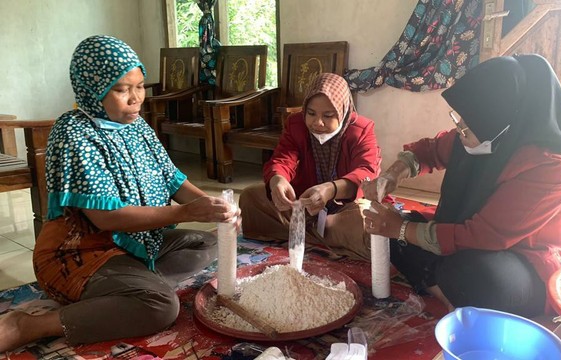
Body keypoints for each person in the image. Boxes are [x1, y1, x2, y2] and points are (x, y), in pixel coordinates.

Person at [0, 35, 240, 352]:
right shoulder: (75, 131)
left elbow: (173, 180)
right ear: (93, 89)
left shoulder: (137, 126)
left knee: (207, 242)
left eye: (139, 86)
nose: (135, 98)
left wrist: (218, 207)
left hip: (134, 245)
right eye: (121, 89)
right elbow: (106, 217)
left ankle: (128, 292)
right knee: (163, 308)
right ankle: (30, 325)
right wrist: (185, 212)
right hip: (79, 252)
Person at [362, 54, 561, 318]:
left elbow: (484, 235)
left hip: (530, 262)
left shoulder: (551, 168)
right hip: (478, 241)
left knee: (470, 273)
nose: (460, 130)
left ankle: (451, 289)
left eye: (468, 126)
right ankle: (450, 295)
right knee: (392, 235)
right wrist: (391, 176)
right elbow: (429, 151)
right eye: (459, 120)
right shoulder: (480, 135)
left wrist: (402, 228)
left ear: (504, 126)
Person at [239, 72, 381, 260]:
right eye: (311, 113)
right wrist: (277, 181)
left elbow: (367, 173)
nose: (317, 123)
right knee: (250, 198)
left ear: (343, 110)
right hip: (304, 204)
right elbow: (283, 157)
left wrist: (330, 190)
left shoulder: (361, 129)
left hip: (344, 208)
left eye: (328, 115)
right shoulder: (296, 124)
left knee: (365, 222)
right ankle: (323, 236)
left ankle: (309, 232)